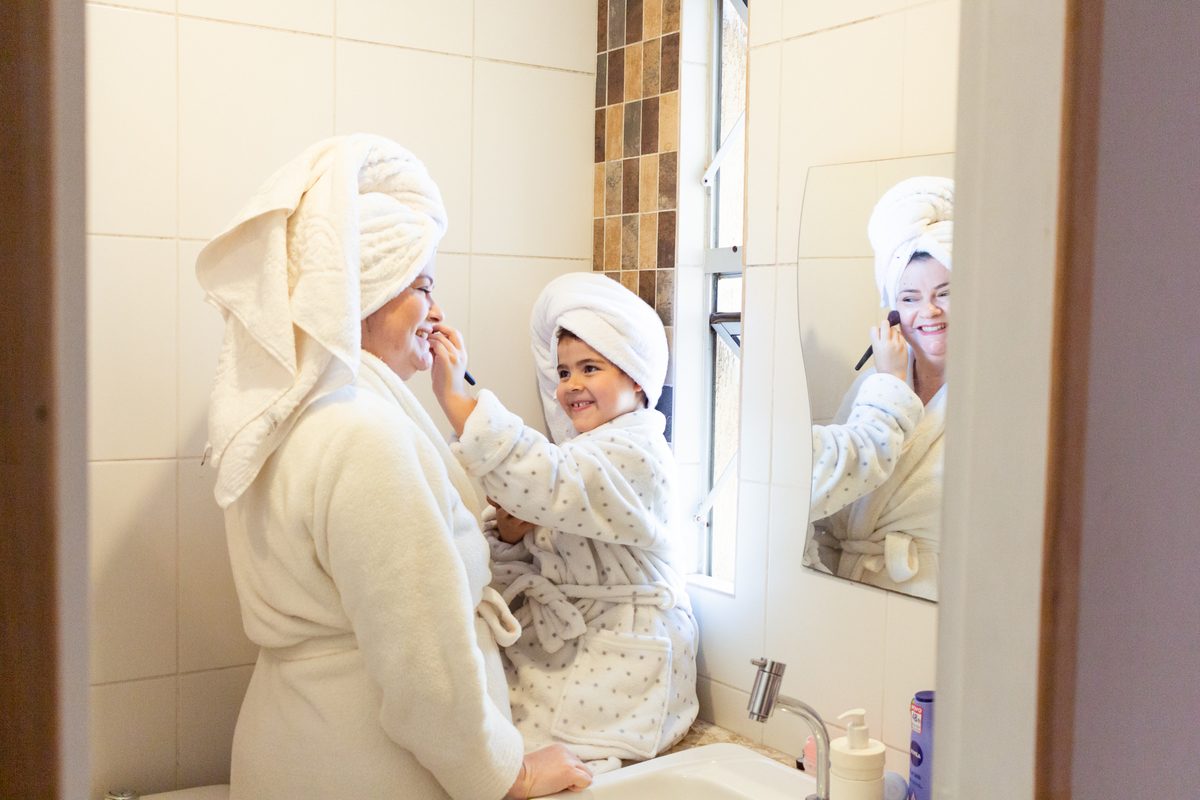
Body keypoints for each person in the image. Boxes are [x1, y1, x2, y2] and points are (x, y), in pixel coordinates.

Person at [196, 135, 591, 800]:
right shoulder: (361, 435)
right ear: (364, 295)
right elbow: (426, 674)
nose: (436, 312)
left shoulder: (280, 419)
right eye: (422, 286)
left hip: (296, 748)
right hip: (364, 770)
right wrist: (507, 772)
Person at [428, 273, 699, 773]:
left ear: (637, 377)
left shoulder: (640, 454)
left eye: (589, 368)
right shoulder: (583, 454)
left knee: (564, 773)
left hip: (624, 668)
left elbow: (550, 479)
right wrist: (510, 532)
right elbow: (535, 526)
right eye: (563, 373)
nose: (570, 385)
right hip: (561, 658)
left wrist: (456, 398)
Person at [806, 176, 953, 601]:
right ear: (893, 313)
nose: (929, 310)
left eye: (946, 293)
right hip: (854, 595)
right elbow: (832, 492)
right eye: (909, 298)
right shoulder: (874, 387)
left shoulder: (999, 395)